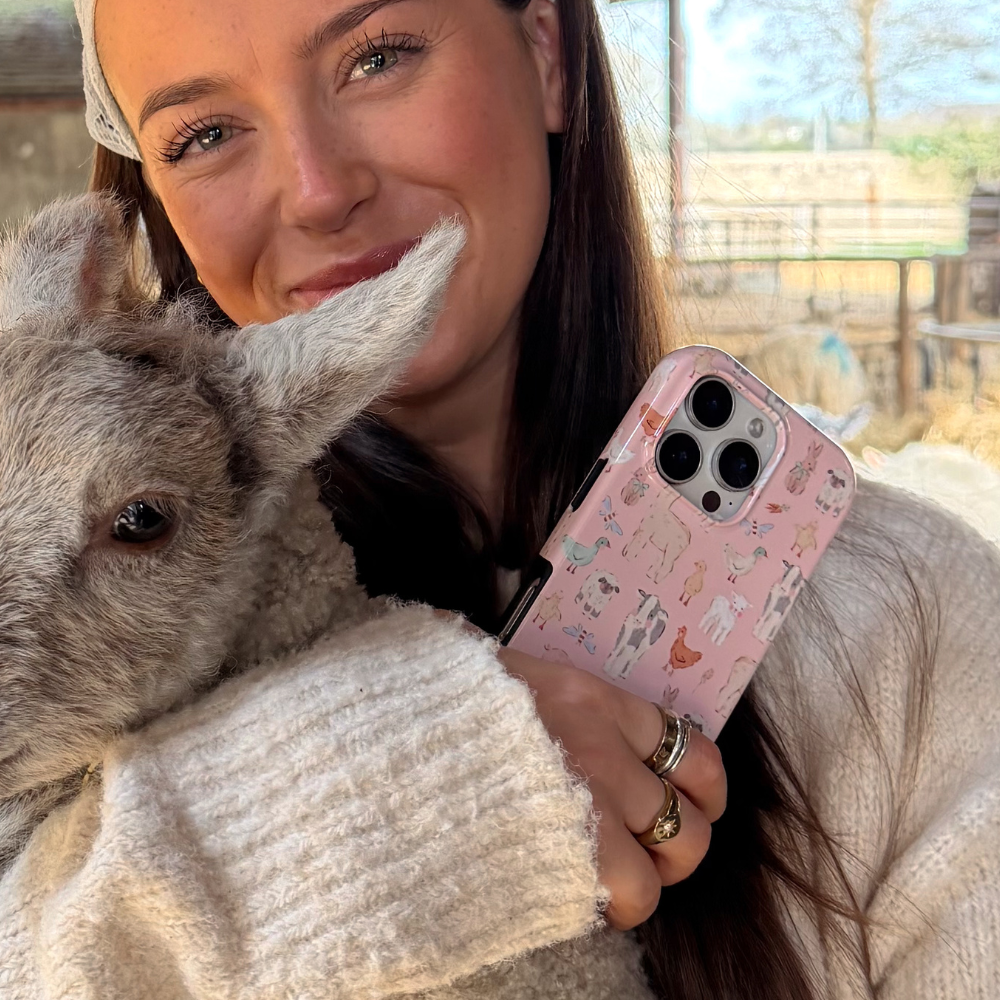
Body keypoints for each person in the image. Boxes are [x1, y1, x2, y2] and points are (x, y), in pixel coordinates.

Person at [3, 0, 1000, 997]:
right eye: (204, 133)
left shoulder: (914, 619)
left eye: (377, 58)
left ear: (547, 55)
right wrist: (436, 772)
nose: (316, 191)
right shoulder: (74, 634)